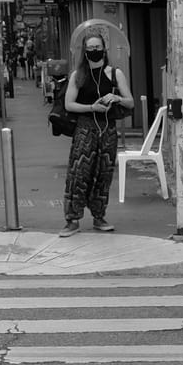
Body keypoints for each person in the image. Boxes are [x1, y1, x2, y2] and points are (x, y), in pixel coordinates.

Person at [59, 32, 131, 236]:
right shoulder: (78, 75)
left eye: (97, 47)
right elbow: (69, 104)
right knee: (78, 174)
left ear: (104, 48)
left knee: (104, 174)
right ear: (84, 51)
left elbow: (130, 101)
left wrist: (116, 98)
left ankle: (99, 216)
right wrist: (92, 107)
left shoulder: (114, 73)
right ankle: (72, 219)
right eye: (90, 48)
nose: (94, 52)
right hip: (85, 129)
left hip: (107, 130)